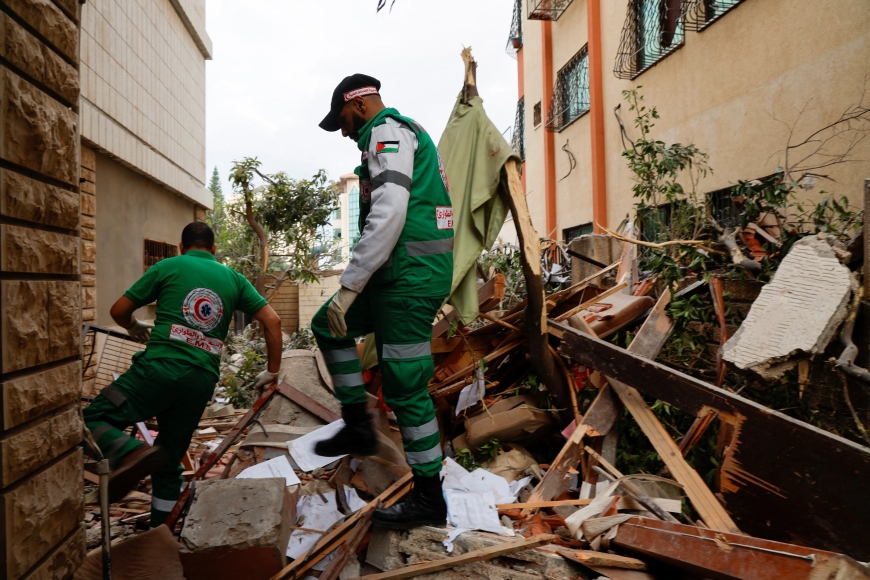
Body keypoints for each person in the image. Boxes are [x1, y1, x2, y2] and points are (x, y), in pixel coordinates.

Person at [312, 74, 454, 529]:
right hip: (397, 275)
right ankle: (357, 423)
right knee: (326, 324)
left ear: (358, 105)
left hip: (408, 279)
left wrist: (351, 285)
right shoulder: (395, 135)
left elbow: (391, 211)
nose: (345, 132)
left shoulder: (387, 132)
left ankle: (429, 498)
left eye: (343, 121)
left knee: (404, 386)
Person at [82, 222, 282, 527]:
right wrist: (272, 371)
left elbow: (118, 310)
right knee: (169, 460)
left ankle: (130, 452)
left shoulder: (168, 266)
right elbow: (274, 321)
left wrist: (134, 327)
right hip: (199, 382)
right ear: (214, 249)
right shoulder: (235, 279)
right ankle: (160, 530)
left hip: (157, 371)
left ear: (181, 247)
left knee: (91, 418)